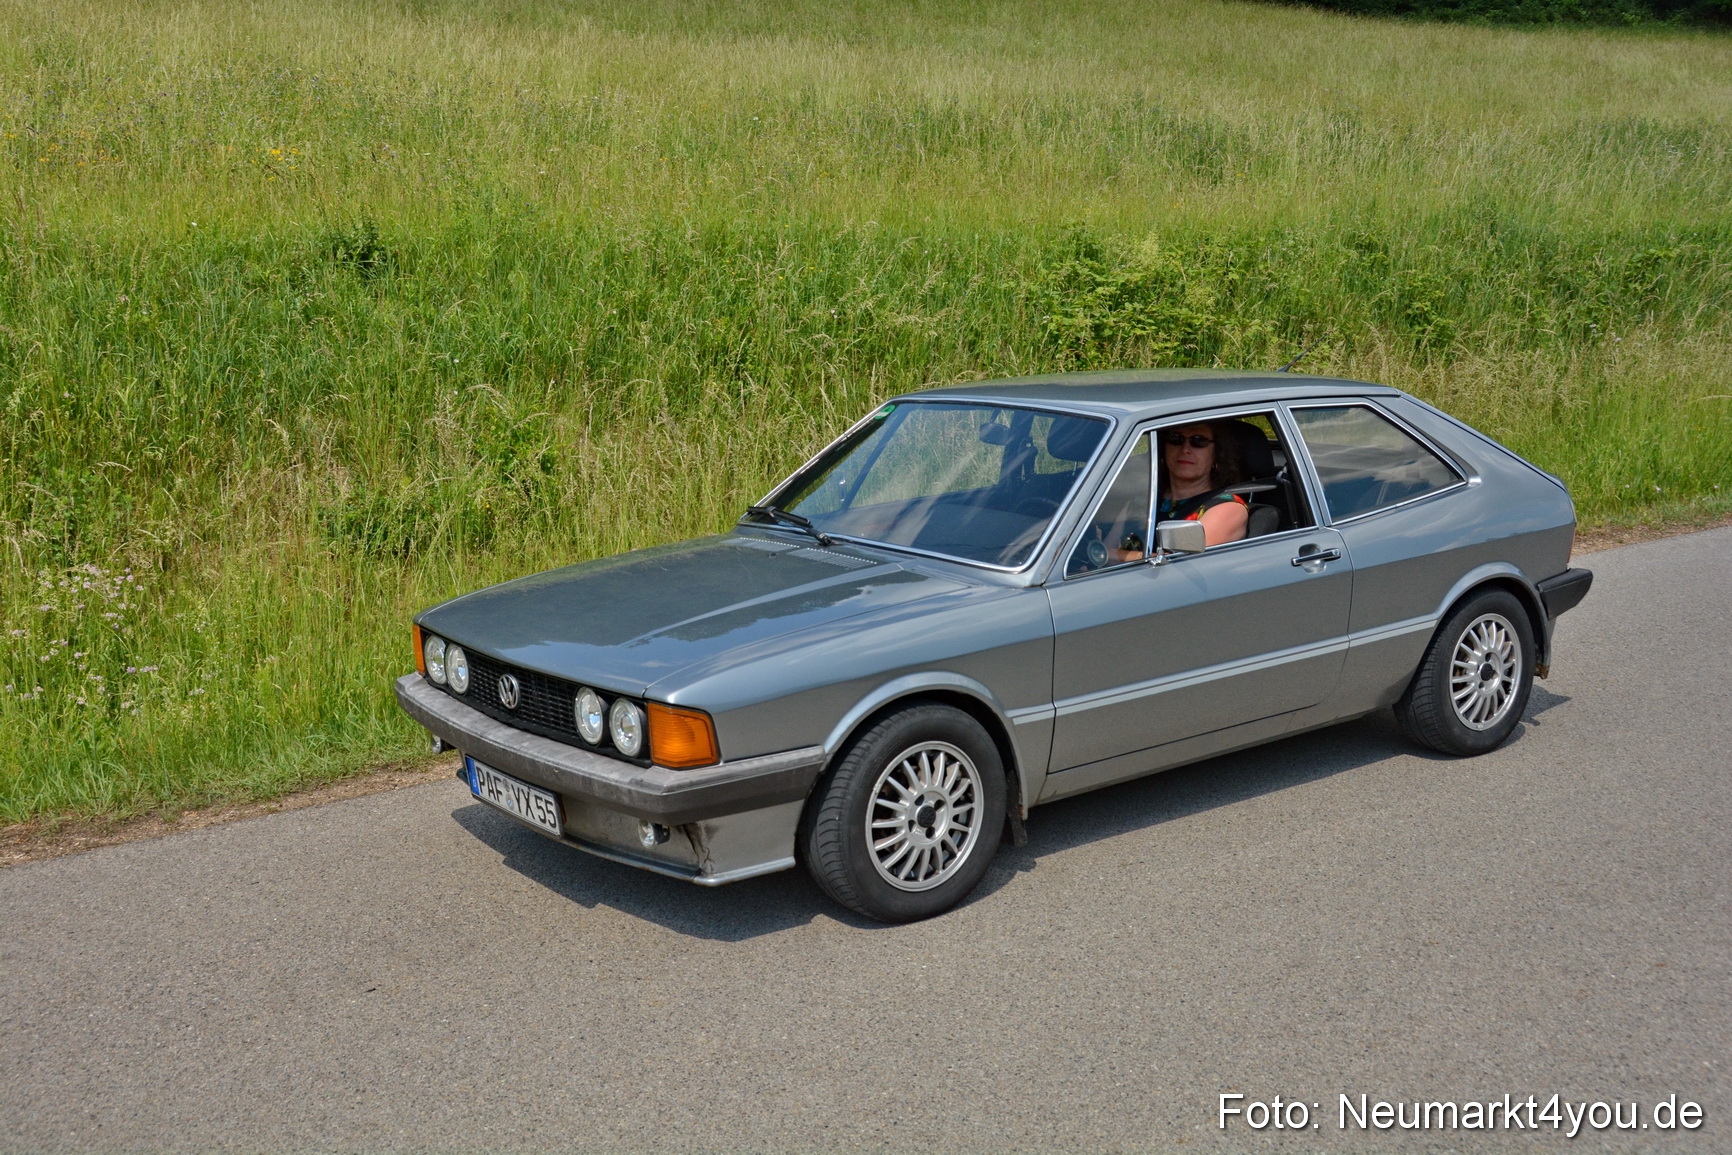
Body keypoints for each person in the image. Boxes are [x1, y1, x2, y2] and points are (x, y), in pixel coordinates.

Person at [1157, 422, 1247, 547]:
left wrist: (1120, 554)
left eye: (1198, 441)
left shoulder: (1228, 508)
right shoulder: (1145, 497)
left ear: (1216, 453)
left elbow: (1178, 562)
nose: (1185, 449)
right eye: (1176, 439)